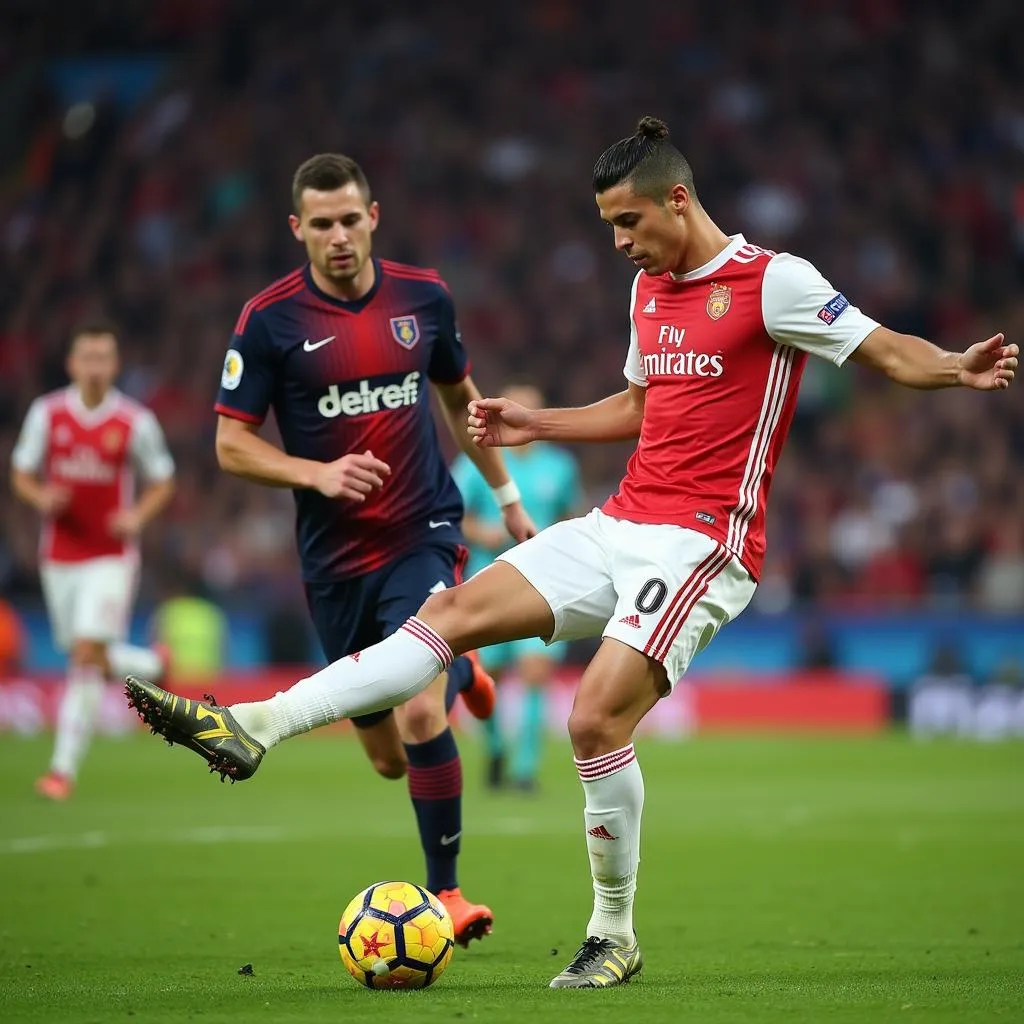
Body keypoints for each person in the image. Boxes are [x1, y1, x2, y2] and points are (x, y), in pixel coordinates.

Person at [125, 117, 1017, 986]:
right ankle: (253, 728)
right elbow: (640, 406)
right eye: (609, 229)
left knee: (593, 719)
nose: (621, 243)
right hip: (619, 522)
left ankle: (612, 934)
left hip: (707, 540)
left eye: (629, 223)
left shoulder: (772, 283)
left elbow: (885, 350)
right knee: (448, 614)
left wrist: (956, 366)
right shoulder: (647, 293)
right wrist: (536, 424)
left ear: (677, 198)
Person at [202, 153, 535, 944]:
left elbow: (462, 401)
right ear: (298, 229)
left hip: (422, 532)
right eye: (322, 224)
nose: (339, 236)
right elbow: (230, 445)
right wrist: (315, 473)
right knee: (389, 756)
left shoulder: (424, 297)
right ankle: (463, 664)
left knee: (421, 708)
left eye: (351, 219)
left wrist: (509, 497)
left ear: (373, 216)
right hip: (335, 562)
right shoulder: (270, 319)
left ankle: (446, 894)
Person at [12, 322, 175, 800]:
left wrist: (137, 516)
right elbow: (21, 472)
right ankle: (150, 664)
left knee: (85, 656)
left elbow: (163, 479)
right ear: (72, 364)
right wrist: (41, 496)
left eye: (104, 358)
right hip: (59, 555)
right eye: (88, 357)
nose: (96, 367)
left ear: (115, 365)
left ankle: (61, 770)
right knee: (88, 653)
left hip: (111, 556)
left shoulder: (133, 421)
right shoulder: (47, 414)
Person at [451, 384, 582, 792]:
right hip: (489, 579)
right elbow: (452, 513)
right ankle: (493, 747)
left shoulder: (559, 465)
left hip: (543, 581)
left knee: (534, 672)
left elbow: (570, 515)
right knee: (486, 676)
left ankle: (525, 771)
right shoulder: (478, 461)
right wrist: (481, 531)